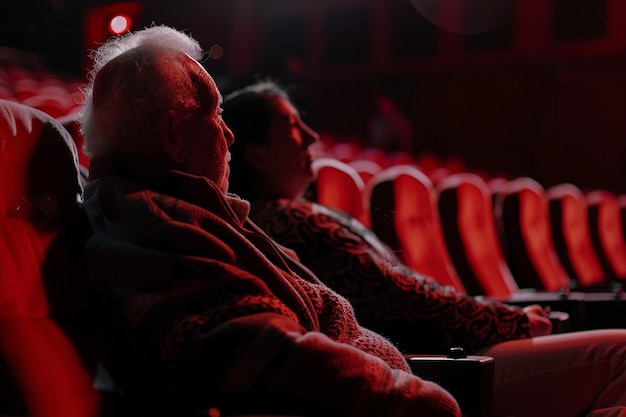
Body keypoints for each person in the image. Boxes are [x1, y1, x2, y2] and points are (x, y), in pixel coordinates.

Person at [77, 25, 461, 417]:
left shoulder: (182, 209)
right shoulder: (151, 221)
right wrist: (407, 396)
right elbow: (245, 347)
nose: (228, 134)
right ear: (172, 135)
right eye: (215, 113)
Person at [222, 79, 626, 417]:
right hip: (444, 366)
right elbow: (401, 298)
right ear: (256, 155)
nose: (311, 136)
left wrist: (508, 317)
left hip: (457, 353)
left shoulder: (296, 215)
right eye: (293, 127)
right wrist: (513, 320)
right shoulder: (286, 221)